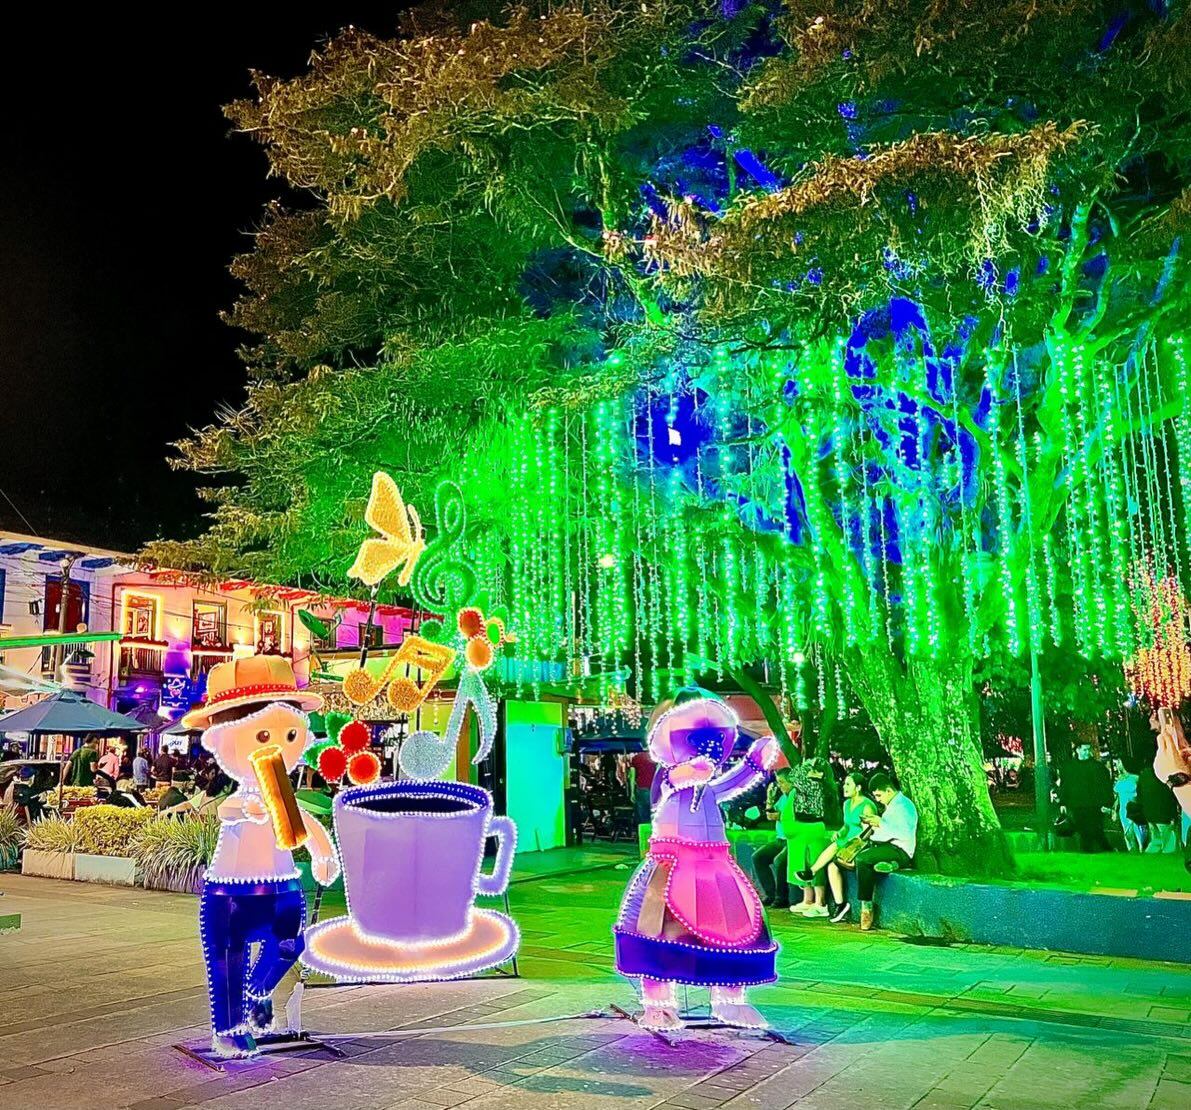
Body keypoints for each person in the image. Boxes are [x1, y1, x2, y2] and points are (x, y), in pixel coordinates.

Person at [798, 770, 879, 923]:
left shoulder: (867, 806)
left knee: (835, 846)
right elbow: (846, 826)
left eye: (848, 784)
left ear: (858, 787)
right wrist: (839, 832)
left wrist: (851, 840)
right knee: (831, 867)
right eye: (844, 784)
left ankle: (812, 871)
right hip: (846, 842)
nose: (845, 787)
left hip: (860, 845)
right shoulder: (846, 804)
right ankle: (840, 905)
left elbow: (868, 831)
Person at [853, 773, 918, 931]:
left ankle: (866, 906)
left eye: (879, 795)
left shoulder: (904, 807)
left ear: (889, 791)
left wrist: (880, 823)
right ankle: (891, 864)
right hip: (890, 848)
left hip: (900, 850)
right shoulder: (893, 805)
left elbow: (901, 832)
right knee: (864, 856)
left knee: (862, 859)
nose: (878, 799)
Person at [782, 757, 839, 918]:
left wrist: (806, 764)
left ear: (820, 773)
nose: (809, 771)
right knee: (803, 862)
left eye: (813, 768)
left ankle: (820, 903)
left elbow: (793, 776)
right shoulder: (814, 785)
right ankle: (807, 900)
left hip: (812, 828)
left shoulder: (814, 785)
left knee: (813, 863)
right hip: (805, 827)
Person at [1057, 743, 1113, 852]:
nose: (1087, 752)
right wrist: (1063, 803)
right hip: (1079, 805)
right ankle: (1101, 850)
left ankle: (1094, 850)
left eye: (1088, 750)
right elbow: (1065, 786)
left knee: (1093, 829)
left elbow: (1105, 786)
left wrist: (1106, 803)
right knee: (1087, 830)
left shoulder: (1096, 767)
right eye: (1085, 750)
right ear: (1077, 750)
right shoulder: (1070, 767)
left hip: (1093, 805)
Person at [752, 766, 793, 909]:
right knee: (758, 857)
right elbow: (770, 815)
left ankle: (782, 897)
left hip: (791, 840)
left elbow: (783, 816)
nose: (780, 785)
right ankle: (771, 894)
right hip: (780, 839)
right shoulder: (783, 798)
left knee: (779, 861)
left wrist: (779, 816)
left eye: (782, 782)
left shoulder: (795, 796)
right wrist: (769, 797)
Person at [1138, 757, 1179, 853]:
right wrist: (1173, 814)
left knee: (1156, 840)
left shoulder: (1144, 775)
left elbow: (1139, 794)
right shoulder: (1164, 775)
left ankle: (1148, 858)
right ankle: (1167, 861)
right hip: (1163, 814)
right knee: (1168, 842)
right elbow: (1169, 796)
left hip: (1149, 814)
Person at [1112, 759, 1146, 852]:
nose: (1118, 764)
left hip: (1134, 808)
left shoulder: (1136, 778)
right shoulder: (1119, 778)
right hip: (1123, 809)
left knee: (1137, 831)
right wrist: (1114, 810)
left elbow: (1141, 793)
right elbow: (1118, 797)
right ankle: (1132, 850)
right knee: (1127, 832)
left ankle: (1141, 850)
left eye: (1119, 762)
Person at [628, 746, 658, 826]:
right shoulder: (655, 757)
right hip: (654, 789)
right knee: (655, 814)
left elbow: (632, 776)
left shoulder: (636, 758)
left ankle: (644, 835)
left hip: (641, 788)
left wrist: (632, 792)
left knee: (643, 816)